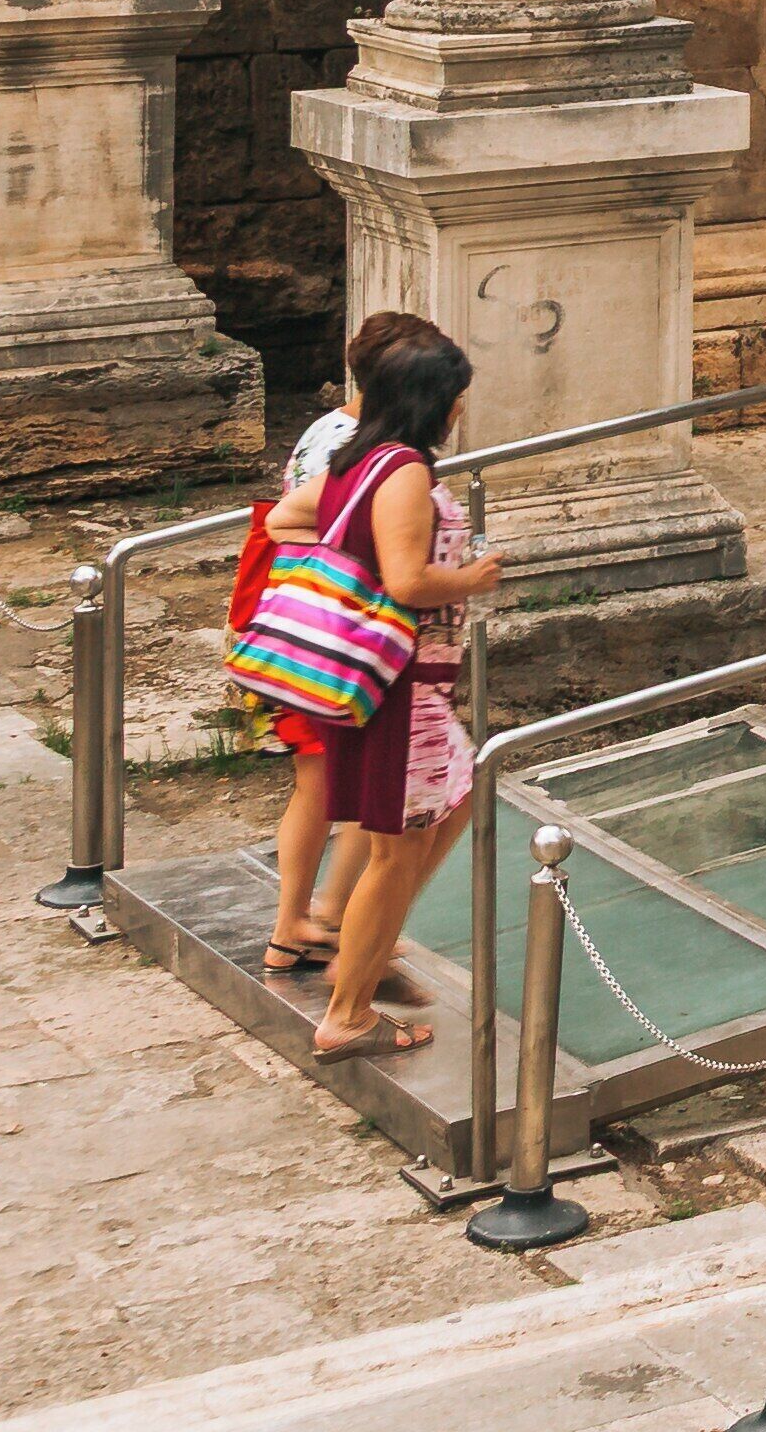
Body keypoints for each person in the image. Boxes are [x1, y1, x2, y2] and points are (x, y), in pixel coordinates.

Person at [260, 325, 500, 1059]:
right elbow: (408, 581)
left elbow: (284, 518)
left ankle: (362, 953)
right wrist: (473, 578)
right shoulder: (400, 472)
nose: (460, 410)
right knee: (396, 853)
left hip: (411, 691)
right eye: (453, 398)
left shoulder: (357, 460)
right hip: (401, 692)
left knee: (454, 805)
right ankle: (350, 1008)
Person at [245, 307, 449, 978]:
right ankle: (331, 923)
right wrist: (365, 572)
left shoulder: (340, 433)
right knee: (343, 790)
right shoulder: (368, 447)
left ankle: (304, 924)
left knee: (322, 787)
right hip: (339, 643)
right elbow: (295, 522)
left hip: (310, 634)